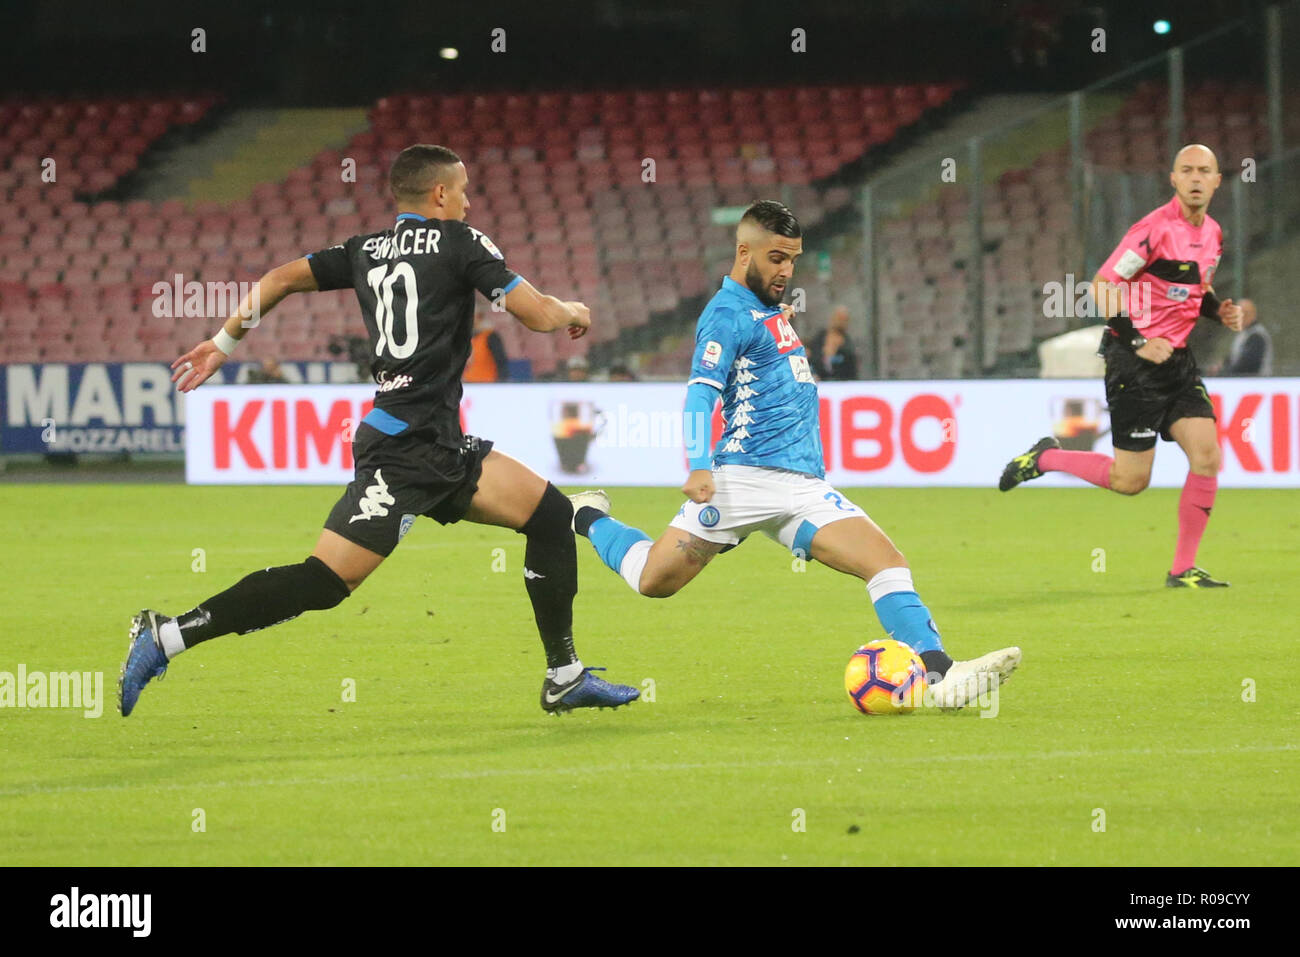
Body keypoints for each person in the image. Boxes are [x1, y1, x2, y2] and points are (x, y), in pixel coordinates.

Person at [119, 144, 638, 717]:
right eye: (462, 191)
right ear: (440, 193)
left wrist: (222, 345)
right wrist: (573, 309)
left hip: (438, 444)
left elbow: (279, 278)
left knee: (550, 518)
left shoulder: (365, 250)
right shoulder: (462, 242)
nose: (467, 202)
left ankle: (563, 675)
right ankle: (167, 634)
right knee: (323, 583)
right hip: (404, 452)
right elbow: (538, 315)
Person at [567, 201, 1021, 709]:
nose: (787, 270)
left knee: (886, 563)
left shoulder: (765, 312)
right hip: (744, 480)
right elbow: (701, 392)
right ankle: (585, 515)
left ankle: (940, 676)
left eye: (793, 259)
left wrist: (773, 322)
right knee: (654, 580)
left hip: (804, 487)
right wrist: (697, 463)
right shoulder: (725, 314)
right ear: (745, 252)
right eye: (777, 258)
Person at [1000, 144, 1244, 588]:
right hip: (1133, 362)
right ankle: (1046, 457)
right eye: (1186, 169)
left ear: (1216, 180)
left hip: (1177, 360)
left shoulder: (1213, 233)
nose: (1194, 177)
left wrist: (1216, 312)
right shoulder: (1153, 231)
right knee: (1131, 481)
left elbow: (1195, 288)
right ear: (1173, 178)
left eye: (1203, 170)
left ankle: (1182, 569)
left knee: (1207, 456)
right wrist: (1137, 341)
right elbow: (1102, 285)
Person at [1217, 299, 1272, 375]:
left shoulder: (1256, 336)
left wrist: (1225, 371)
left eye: (1245, 313)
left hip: (1254, 383)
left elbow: (1247, 365)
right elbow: (1236, 357)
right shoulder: (1244, 334)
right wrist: (1223, 364)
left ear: (1253, 315)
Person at [805, 305, 859, 380]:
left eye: (844, 319)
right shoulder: (820, 338)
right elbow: (811, 356)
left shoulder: (848, 346)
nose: (841, 322)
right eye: (839, 318)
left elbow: (851, 371)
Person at [462, 313, 509, 382]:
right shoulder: (468, 338)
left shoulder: (490, 336)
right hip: (469, 382)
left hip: (487, 382)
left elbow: (500, 360)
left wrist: (502, 381)